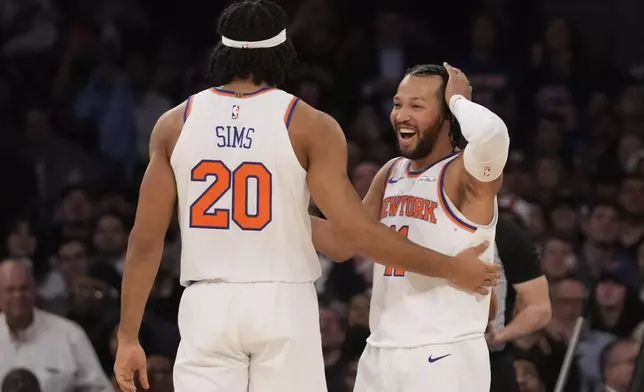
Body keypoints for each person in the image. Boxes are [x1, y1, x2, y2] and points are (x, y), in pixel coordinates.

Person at [113, 2, 501, 391]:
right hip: (283, 302)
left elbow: (145, 241)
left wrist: (128, 337)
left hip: (206, 302)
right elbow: (354, 235)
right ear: (283, 53)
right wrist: (450, 267)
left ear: (222, 51)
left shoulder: (174, 124)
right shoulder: (308, 123)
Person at [313, 63, 510, 391]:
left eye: (417, 106)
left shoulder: (467, 172)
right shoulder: (391, 172)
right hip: (380, 351)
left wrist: (460, 101)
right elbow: (344, 242)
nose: (401, 115)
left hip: (444, 352)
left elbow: (492, 133)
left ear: (448, 116)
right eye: (397, 104)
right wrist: (283, 214)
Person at [0, 260, 111, 392]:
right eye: (10, 290)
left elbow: (101, 388)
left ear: (35, 291)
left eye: (24, 289)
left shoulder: (69, 334)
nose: (18, 296)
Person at [486, 216, 551, 392]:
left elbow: (540, 308)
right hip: (422, 353)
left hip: (490, 362)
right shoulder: (416, 225)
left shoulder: (504, 233)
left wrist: (499, 336)